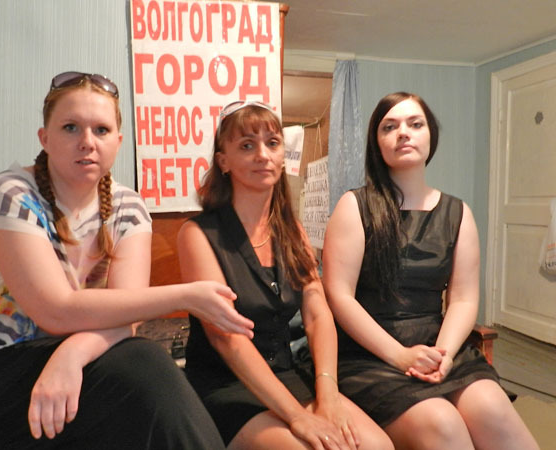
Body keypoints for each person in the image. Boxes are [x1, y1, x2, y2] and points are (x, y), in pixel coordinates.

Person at [0, 71, 256, 450]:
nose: (87, 142)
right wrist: (185, 295)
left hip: (72, 364)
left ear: (118, 141)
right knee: (142, 365)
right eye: (70, 127)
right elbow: (55, 311)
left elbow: (126, 315)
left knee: (141, 378)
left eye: (101, 130)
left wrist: (72, 354)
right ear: (44, 138)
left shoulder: (127, 206)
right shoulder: (13, 193)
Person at [322, 92, 539, 450]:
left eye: (415, 124)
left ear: (430, 135)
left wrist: (445, 354)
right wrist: (399, 355)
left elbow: (463, 299)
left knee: (494, 409)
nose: (403, 133)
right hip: (370, 354)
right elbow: (339, 296)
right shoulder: (354, 205)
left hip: (438, 347)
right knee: (443, 423)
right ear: (377, 143)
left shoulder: (458, 213)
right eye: (389, 127)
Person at [177, 101, 393, 450]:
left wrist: (328, 394)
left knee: (378, 445)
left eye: (272, 143)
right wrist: (297, 416)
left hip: (287, 374)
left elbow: (317, 314)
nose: (262, 154)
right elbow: (226, 339)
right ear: (223, 161)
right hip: (227, 385)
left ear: (282, 157)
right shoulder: (198, 234)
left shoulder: (293, 230)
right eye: (247, 145)